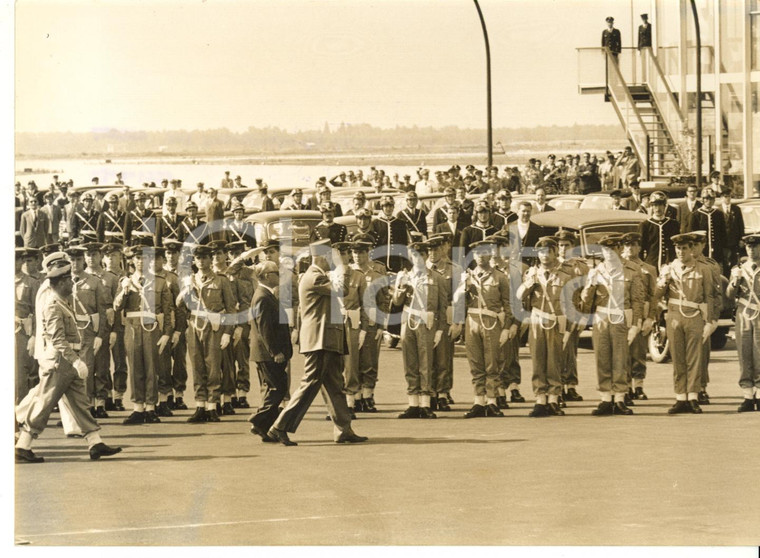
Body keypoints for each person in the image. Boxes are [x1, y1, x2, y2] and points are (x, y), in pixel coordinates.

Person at [15, 252, 122, 463]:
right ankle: (23, 445)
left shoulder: (63, 302)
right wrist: (75, 360)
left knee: (80, 403)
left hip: (67, 363)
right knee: (44, 404)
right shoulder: (54, 306)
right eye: (67, 280)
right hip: (60, 362)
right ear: (59, 282)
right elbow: (58, 340)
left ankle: (95, 442)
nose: (71, 283)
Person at [267, 240, 368, 446]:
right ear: (321, 256)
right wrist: (343, 266)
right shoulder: (314, 277)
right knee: (310, 384)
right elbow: (342, 290)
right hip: (320, 340)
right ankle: (279, 427)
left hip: (327, 338)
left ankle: (343, 429)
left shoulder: (316, 276)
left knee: (335, 385)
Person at [581, 235, 644, 416]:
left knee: (620, 359)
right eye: (605, 250)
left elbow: (637, 300)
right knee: (602, 358)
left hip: (621, 317)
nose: (609, 253)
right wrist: (589, 286)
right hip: (601, 318)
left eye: (612, 249)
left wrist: (635, 325)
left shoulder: (631, 270)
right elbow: (586, 304)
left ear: (618, 249)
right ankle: (605, 398)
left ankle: (620, 398)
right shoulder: (596, 271)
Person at [654, 233, 717, 414]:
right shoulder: (669, 268)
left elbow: (709, 296)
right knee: (678, 357)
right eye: (678, 248)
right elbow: (657, 296)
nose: (681, 252)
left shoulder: (702, 269)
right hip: (674, 316)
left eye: (684, 248)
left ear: (691, 249)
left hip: (694, 315)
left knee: (694, 358)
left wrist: (710, 321)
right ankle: (680, 397)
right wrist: (663, 282)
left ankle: (693, 397)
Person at [176, 244, 236, 422]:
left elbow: (231, 309)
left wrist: (227, 333)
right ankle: (200, 405)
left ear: (211, 259)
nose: (201, 261)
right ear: (194, 261)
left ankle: (212, 406)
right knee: (197, 366)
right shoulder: (190, 280)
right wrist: (186, 290)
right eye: (198, 258)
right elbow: (179, 304)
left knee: (213, 367)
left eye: (205, 258)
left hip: (214, 325)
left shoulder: (221, 280)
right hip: (195, 325)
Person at [114, 245, 174, 424]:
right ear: (132, 260)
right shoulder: (125, 281)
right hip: (132, 328)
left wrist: (166, 334)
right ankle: (138, 407)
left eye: (145, 258)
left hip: (151, 328)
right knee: (135, 368)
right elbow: (117, 307)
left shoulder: (160, 282)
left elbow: (167, 310)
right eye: (137, 258)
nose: (141, 261)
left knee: (151, 368)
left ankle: (150, 407)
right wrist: (124, 291)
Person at [455, 240, 515, 418]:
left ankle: (492, 401)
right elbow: (458, 303)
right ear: (473, 256)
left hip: (491, 322)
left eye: (485, 252)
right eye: (477, 253)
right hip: (472, 321)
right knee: (475, 363)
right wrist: (463, 288)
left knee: (492, 363)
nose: (481, 256)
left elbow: (508, 305)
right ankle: (478, 401)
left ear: (490, 255)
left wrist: (506, 328)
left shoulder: (500, 277)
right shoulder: (467, 276)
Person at [516, 237, 574, 417]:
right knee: (538, 359)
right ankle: (540, 398)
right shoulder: (532, 273)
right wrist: (528, 283)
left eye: (548, 251)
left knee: (554, 361)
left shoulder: (566, 274)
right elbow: (519, 296)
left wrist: (570, 326)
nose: (544, 255)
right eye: (541, 252)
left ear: (555, 252)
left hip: (556, 319)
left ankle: (554, 398)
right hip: (537, 319)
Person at [394, 236, 448, 419]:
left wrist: (440, 330)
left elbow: (442, 305)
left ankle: (425, 403)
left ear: (425, 256)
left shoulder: (436, 278)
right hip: (408, 319)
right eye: (414, 255)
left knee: (426, 362)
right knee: (409, 361)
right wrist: (401, 289)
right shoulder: (404, 276)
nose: (417, 258)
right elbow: (396, 302)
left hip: (426, 322)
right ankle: (412, 403)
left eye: (420, 255)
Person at [247, 260, 293, 442]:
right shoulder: (263, 297)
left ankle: (267, 428)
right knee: (278, 389)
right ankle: (258, 421)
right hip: (268, 354)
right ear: (267, 276)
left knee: (272, 389)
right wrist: (275, 352)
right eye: (276, 273)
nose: (279, 276)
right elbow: (265, 328)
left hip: (265, 353)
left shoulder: (265, 295)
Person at [350, 239, 390, 412]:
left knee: (370, 361)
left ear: (368, 253)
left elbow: (383, 302)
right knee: (353, 361)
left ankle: (368, 395)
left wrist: (382, 326)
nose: (358, 256)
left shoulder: (377, 275)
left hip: (372, 323)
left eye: (361, 252)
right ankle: (356, 396)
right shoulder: (347, 274)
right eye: (355, 253)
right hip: (353, 322)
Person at [427, 235, 463, 411]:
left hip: (445, 316)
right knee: (427, 357)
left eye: (436, 249)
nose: (433, 253)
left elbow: (459, 298)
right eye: (430, 250)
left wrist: (458, 322)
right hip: (426, 317)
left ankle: (442, 393)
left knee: (443, 357)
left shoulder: (454, 270)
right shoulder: (422, 269)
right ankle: (430, 392)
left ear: (443, 249)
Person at [620, 232, 657, 401]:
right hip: (624, 314)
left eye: (634, 245)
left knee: (639, 352)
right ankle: (625, 386)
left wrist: (650, 317)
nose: (630, 248)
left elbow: (653, 295)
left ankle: (639, 386)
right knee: (623, 352)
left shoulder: (648, 269)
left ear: (640, 247)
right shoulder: (620, 267)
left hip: (641, 314)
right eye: (627, 245)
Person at [726, 234, 760, 412]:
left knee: (759, 353)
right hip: (744, 314)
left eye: (754, 247)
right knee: (744, 352)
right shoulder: (739, 269)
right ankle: (748, 395)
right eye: (748, 247)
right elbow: (729, 296)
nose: (751, 250)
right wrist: (735, 282)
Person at [555, 230, 588, 404]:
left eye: (566, 245)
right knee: (558, 351)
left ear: (572, 246)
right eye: (560, 245)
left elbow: (586, 292)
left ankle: (571, 385)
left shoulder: (580, 266)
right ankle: (558, 386)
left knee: (571, 351)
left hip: (574, 311)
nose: (562, 249)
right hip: (557, 313)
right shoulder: (553, 265)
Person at [162, 239, 190, 410]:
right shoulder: (161, 274)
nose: (171, 256)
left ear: (179, 255)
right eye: (168, 253)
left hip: (181, 319)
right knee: (164, 360)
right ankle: (167, 394)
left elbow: (185, 304)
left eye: (174, 253)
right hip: (165, 322)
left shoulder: (186, 274)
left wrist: (180, 328)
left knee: (179, 360)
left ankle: (179, 394)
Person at [15, 248, 39, 405]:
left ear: (20, 262)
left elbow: (38, 311)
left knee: (21, 372)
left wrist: (35, 335)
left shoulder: (31, 283)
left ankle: (21, 409)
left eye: (15, 260)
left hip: (23, 330)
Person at [638, 192, 679, 271]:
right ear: (651, 207)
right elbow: (640, 249)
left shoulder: (673, 224)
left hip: (670, 266)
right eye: (655, 205)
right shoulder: (645, 225)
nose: (658, 208)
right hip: (651, 265)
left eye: (660, 205)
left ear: (664, 206)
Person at [688, 188, 726, 264]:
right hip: (702, 251)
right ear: (702, 200)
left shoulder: (718, 214)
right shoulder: (696, 214)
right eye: (707, 199)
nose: (709, 201)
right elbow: (692, 235)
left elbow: (723, 233)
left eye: (711, 199)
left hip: (717, 251)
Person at [719, 188, 745, 276]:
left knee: (734, 263)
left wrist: (741, 239)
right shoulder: (718, 210)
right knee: (724, 263)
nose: (728, 198)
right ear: (721, 198)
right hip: (723, 243)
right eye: (725, 196)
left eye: (729, 196)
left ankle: (734, 280)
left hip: (734, 242)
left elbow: (741, 225)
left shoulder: (736, 209)